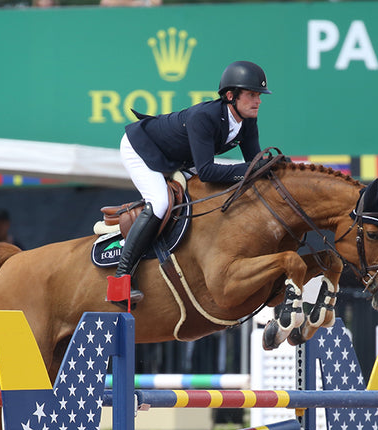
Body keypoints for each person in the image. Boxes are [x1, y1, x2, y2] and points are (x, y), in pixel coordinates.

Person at [114, 60, 270, 305]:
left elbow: (254, 163)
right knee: (160, 202)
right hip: (142, 147)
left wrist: (275, 166)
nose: (258, 101)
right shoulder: (204, 117)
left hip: (179, 158)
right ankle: (120, 280)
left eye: (259, 95)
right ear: (231, 96)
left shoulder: (247, 121)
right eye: (252, 95)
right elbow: (208, 171)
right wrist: (254, 169)